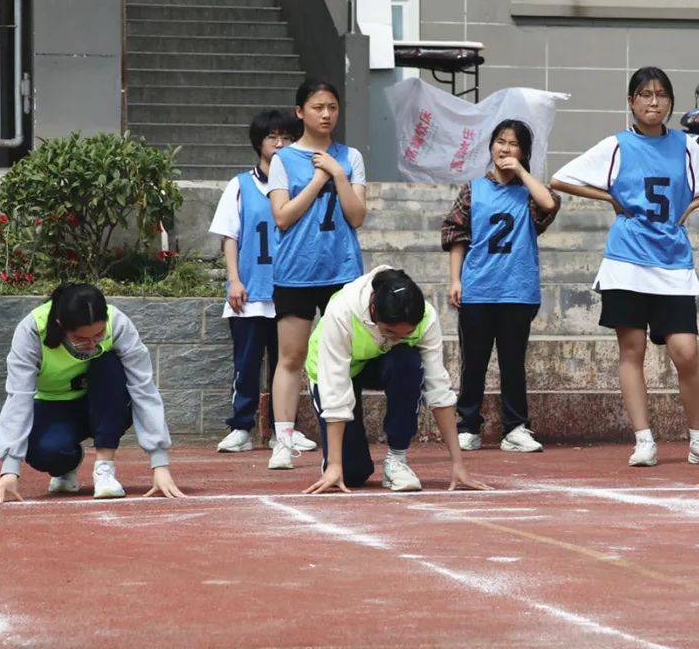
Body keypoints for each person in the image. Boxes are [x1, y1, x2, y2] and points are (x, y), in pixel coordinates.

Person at [551, 66, 699, 467]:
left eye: (661, 95)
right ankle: (644, 439)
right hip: (627, 261)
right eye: (645, 95)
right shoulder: (616, 145)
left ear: (670, 102)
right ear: (631, 101)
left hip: (672, 262)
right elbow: (561, 179)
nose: (654, 102)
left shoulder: (685, 146)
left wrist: (692, 206)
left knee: (685, 351)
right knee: (631, 351)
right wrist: (610, 198)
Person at [0, 283, 183, 503]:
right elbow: (18, 396)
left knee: (108, 363)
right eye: (81, 339)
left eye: (98, 334)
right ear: (60, 326)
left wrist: (160, 463)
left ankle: (104, 469)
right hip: (52, 406)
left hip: (106, 404)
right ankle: (68, 463)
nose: (91, 344)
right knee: (44, 452)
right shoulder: (31, 330)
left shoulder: (118, 323)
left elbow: (143, 387)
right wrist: (9, 470)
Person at [302, 266, 491, 494]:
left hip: (382, 363)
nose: (397, 339)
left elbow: (438, 389)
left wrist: (458, 464)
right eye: (391, 333)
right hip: (336, 369)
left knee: (407, 361)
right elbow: (334, 388)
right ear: (373, 310)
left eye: (406, 335)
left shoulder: (426, 317)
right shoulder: (342, 311)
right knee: (351, 474)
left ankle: (397, 460)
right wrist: (334, 465)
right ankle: (336, 462)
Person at [442, 119, 559, 453]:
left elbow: (550, 205)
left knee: (512, 363)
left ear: (524, 152)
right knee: (473, 363)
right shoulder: (473, 189)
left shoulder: (529, 193)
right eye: (499, 141)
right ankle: (468, 426)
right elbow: (456, 236)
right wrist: (455, 279)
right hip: (478, 288)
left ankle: (516, 427)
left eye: (513, 144)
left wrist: (522, 172)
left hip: (518, 291)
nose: (504, 149)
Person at [267, 79, 366, 471]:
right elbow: (283, 216)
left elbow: (357, 216)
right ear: (300, 112)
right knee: (290, 357)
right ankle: (283, 440)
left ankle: (343, 447)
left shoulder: (351, 156)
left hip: (342, 270)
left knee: (343, 357)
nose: (326, 115)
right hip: (295, 271)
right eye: (317, 107)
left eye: (332, 108)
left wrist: (339, 175)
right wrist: (319, 179)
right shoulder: (284, 159)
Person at [208, 108, 315, 454]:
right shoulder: (240, 185)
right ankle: (242, 427)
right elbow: (229, 237)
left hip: (289, 289)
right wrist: (234, 280)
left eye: (287, 137)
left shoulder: (300, 184)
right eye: (273, 137)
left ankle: (283, 431)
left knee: (288, 362)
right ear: (259, 142)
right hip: (251, 291)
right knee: (247, 363)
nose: (280, 143)